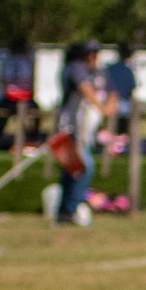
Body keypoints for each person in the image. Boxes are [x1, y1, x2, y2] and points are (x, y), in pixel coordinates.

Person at [55, 40, 104, 226]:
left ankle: (65, 211)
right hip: (69, 128)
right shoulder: (75, 68)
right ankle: (70, 209)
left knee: (71, 170)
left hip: (80, 130)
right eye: (89, 53)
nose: (93, 57)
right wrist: (102, 108)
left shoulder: (87, 70)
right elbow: (85, 89)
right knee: (83, 167)